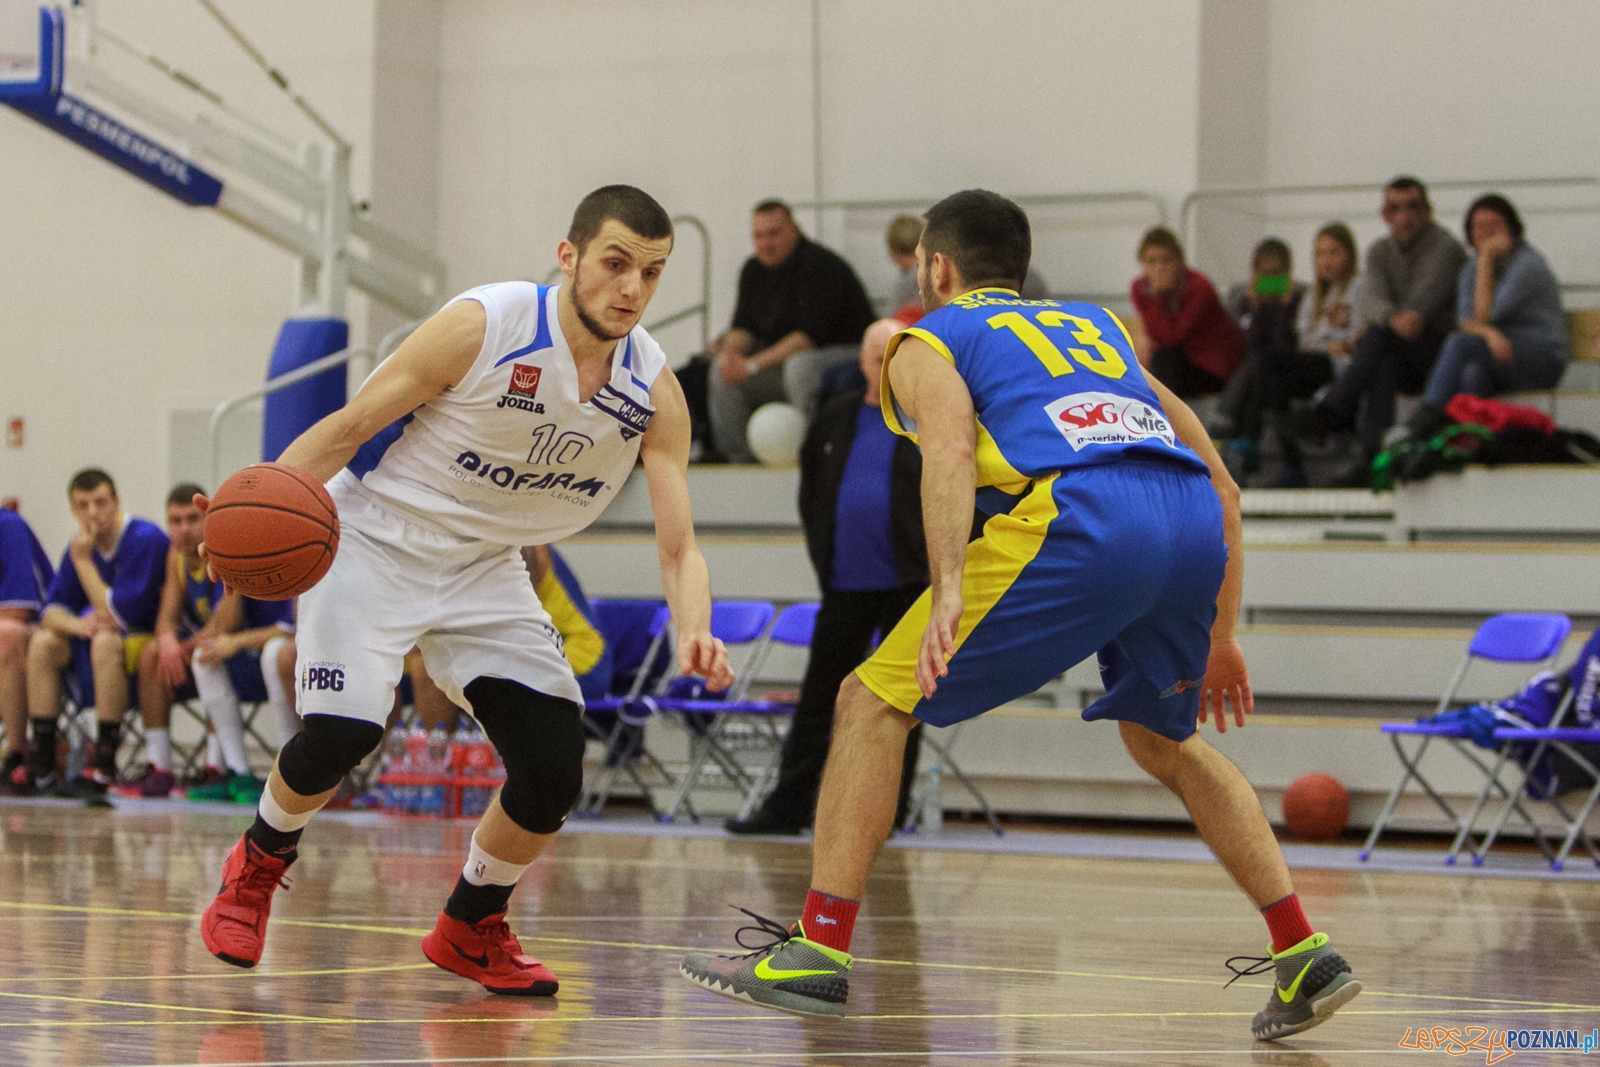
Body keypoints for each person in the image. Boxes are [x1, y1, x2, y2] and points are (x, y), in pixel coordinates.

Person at [680, 190, 1360, 1041]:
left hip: (1083, 517)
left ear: (937, 267)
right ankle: (1303, 951)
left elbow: (952, 448)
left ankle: (817, 951)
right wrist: (1221, 634)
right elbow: (1221, 480)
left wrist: (950, 583)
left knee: (868, 700)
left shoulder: (927, 338)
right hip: (1185, 520)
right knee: (1165, 739)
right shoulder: (1100, 330)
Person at [197, 186, 733, 998]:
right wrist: (243, 510)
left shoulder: (652, 392)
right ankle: (257, 865)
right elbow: (348, 428)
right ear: (570, 256)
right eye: (616, 263)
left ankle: (471, 922)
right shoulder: (486, 324)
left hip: (486, 563)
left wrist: (696, 627)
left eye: (652, 273)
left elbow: (681, 544)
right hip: (376, 540)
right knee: (342, 730)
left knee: (553, 768)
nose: (632, 288)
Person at [725, 319, 929, 836]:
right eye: (872, 356)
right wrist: (825, 558)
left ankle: (889, 814)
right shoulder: (834, 418)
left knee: (900, 703)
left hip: (909, 584)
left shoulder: (929, 421)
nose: (879, 367)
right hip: (845, 582)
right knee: (820, 699)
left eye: (889, 357)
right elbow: (812, 495)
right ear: (860, 362)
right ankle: (787, 808)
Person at [1294, 177, 1466, 481]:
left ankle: (1330, 411)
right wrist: (1388, 319)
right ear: (1384, 214)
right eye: (1395, 209)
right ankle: (1373, 456)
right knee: (1381, 359)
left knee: (1377, 339)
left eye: (1412, 208)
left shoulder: (1446, 249)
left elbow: (1417, 315)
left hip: (1440, 356)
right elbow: (1372, 303)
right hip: (1398, 350)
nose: (1404, 217)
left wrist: (1385, 320)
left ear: (1428, 210)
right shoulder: (1379, 252)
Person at [24, 469, 168, 797]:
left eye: (100, 502)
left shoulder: (144, 539)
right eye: (82, 505)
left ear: (116, 502)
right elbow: (51, 611)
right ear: (73, 510)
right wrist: (77, 625)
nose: (92, 512)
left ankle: (104, 763)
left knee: (104, 640)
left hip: (145, 646)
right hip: (97, 647)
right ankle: (44, 764)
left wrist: (83, 562)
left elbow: (117, 615)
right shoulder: (80, 547)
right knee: (44, 642)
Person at [707, 200, 876, 463]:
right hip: (784, 362)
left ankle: (814, 457)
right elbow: (744, 329)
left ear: (793, 230)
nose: (766, 243)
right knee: (721, 372)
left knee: (799, 367)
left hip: (847, 354)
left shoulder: (821, 266)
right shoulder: (752, 270)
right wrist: (730, 355)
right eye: (759, 236)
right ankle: (741, 461)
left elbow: (806, 339)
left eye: (773, 233)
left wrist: (750, 366)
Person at [1407, 193, 1568, 439]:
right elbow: (1465, 321)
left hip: (1541, 357)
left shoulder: (1527, 265)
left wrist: (1485, 258)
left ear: (1511, 229)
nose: (1485, 233)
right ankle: (1467, 440)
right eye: (1478, 226)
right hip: (1500, 355)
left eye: (1494, 226)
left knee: (1458, 344)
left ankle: (1426, 418)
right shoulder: (1470, 269)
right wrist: (1489, 334)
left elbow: (1482, 317)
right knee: (1473, 373)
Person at [410, 544, 612, 733]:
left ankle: (443, 760)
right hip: (518, 652)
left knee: (444, 666)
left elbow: (503, 623)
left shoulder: (519, 545)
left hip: (582, 657)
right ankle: (425, 760)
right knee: (406, 662)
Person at [115, 483, 218, 797]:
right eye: (175, 521)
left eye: (192, 519)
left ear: (209, 519)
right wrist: (169, 642)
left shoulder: (225, 549)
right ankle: (159, 767)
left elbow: (225, 624)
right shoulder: (176, 555)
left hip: (237, 649)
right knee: (152, 653)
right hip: (202, 647)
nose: (183, 529)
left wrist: (185, 646)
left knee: (210, 655)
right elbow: (166, 617)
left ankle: (217, 768)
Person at [1215, 238, 1306, 478]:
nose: (1270, 281)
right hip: (1251, 373)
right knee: (1259, 369)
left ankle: (1234, 429)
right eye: (1265, 274)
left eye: (1277, 274)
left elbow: (1284, 348)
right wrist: (1256, 311)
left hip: (1285, 370)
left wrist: (1282, 310)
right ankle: (1252, 448)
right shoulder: (1241, 299)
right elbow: (1243, 347)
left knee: (1265, 369)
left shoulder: (1300, 298)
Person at [1129, 226, 1243, 397]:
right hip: (1178, 361)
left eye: (1166, 260)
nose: (1159, 268)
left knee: (1163, 360)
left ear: (1179, 261)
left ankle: (1167, 419)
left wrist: (1157, 297)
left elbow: (1172, 337)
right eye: (1151, 262)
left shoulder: (1199, 287)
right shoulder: (1139, 288)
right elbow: (1156, 334)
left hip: (1212, 367)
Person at [0, 506, 53, 794]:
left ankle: (16, 754)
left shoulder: (8, 527)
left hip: (38, 634)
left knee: (6, 635)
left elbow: (17, 612)